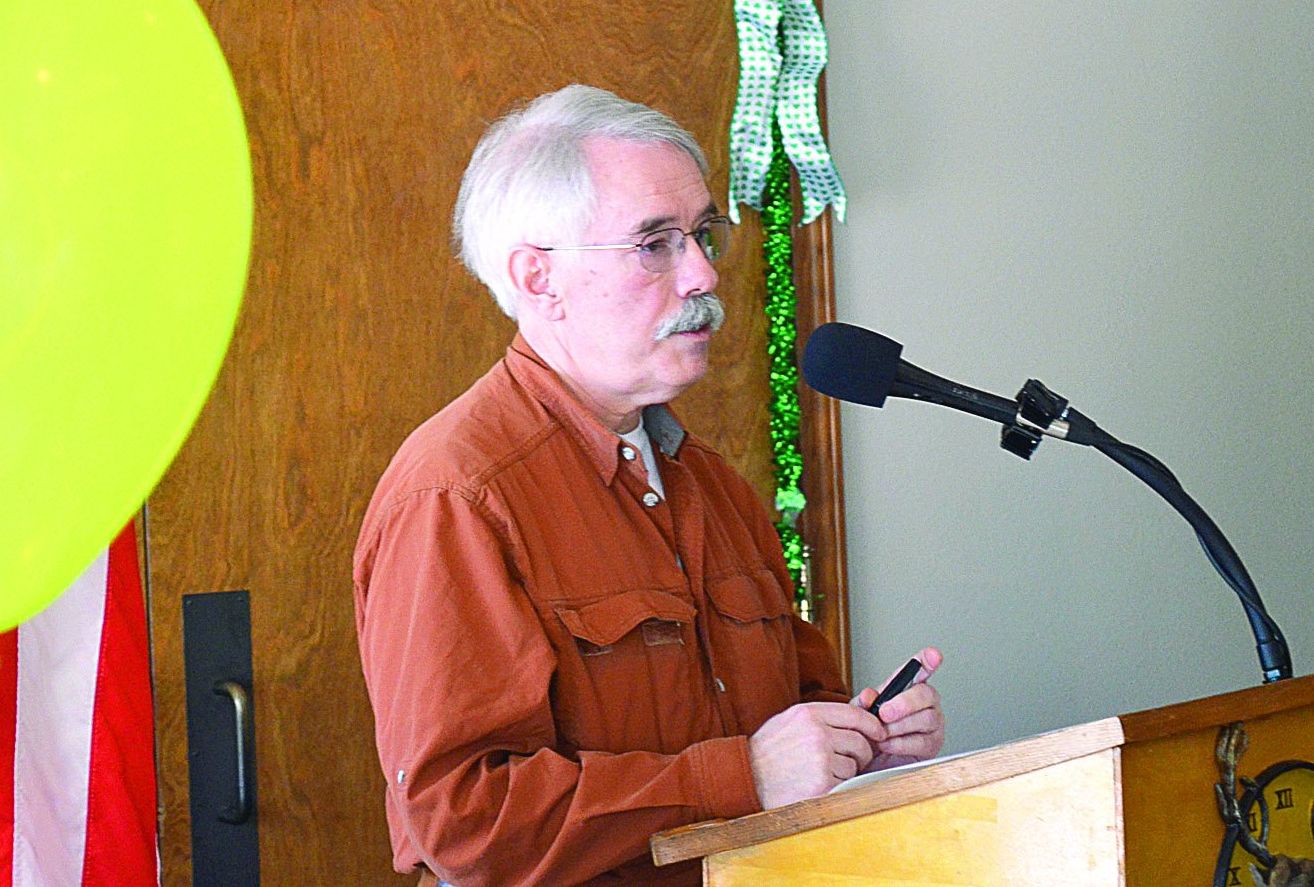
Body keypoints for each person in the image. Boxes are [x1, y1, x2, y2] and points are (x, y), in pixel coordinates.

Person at [352, 85, 944, 887]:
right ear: (539, 276)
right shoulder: (455, 493)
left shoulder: (713, 485)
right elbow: (465, 819)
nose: (702, 272)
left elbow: (794, 714)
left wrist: (859, 736)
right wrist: (743, 777)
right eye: (654, 244)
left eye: (703, 234)